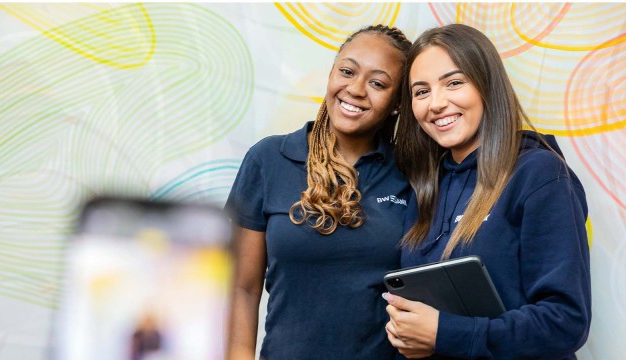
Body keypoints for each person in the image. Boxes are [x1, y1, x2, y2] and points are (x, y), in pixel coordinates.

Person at [385, 24, 591, 359]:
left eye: (454, 82)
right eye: (421, 92)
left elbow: (566, 322)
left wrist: (444, 333)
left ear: (486, 86)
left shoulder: (539, 174)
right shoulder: (426, 185)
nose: (435, 103)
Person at [225, 25, 413, 359]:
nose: (355, 89)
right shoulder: (268, 160)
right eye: (347, 71)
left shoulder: (411, 173)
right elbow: (241, 287)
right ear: (331, 73)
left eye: (377, 83)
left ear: (398, 102)